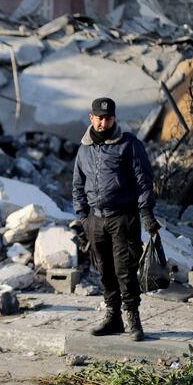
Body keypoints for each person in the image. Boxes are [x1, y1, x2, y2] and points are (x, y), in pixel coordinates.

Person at [72, 97, 160, 342]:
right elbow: (78, 186)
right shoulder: (84, 149)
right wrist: (83, 219)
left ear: (114, 118)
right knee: (104, 271)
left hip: (123, 218)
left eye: (108, 118)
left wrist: (147, 214)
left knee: (125, 270)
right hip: (95, 221)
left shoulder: (129, 145)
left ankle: (132, 317)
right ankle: (112, 316)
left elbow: (144, 181)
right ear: (92, 118)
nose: (103, 122)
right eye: (99, 118)